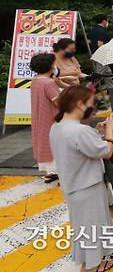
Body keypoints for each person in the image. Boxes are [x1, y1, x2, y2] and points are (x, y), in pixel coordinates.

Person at [50, 86, 113, 272]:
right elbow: (106, 151)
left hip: (74, 189)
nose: (93, 106)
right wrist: (110, 130)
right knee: (92, 243)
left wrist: (96, 131)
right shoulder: (79, 131)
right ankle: (93, 268)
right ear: (79, 105)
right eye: (90, 103)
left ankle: (100, 264)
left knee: (88, 236)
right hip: (88, 191)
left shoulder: (57, 127)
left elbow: (82, 148)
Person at [29, 53, 60, 183]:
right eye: (54, 64)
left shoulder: (35, 81)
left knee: (44, 142)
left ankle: (50, 172)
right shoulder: (49, 83)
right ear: (49, 67)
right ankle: (59, 173)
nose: (55, 66)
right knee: (56, 144)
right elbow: (58, 102)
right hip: (51, 118)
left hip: (40, 118)